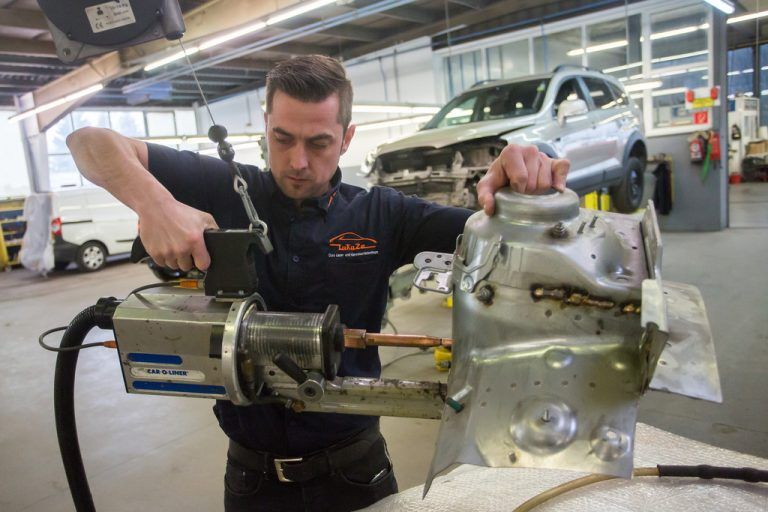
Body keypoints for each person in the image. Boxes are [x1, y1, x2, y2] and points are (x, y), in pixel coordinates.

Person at [67, 55, 569, 512]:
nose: (297, 162)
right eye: (282, 138)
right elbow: (88, 142)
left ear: (347, 139)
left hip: (354, 471)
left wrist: (524, 180)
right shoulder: (224, 186)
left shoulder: (382, 214)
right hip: (250, 477)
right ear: (265, 127)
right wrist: (155, 203)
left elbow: (497, 238)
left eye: (319, 142)